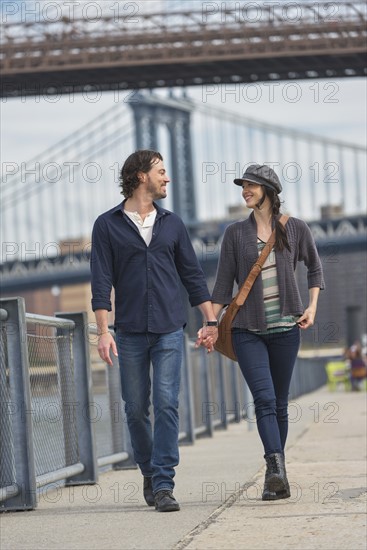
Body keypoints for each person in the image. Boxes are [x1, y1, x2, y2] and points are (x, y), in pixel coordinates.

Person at [90, 150, 218, 512]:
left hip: (169, 329)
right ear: (141, 176)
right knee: (134, 409)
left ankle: (163, 483)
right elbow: (101, 281)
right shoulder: (106, 224)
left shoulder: (173, 224)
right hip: (128, 330)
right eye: (161, 172)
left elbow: (193, 276)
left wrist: (210, 322)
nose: (167, 178)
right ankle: (148, 470)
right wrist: (103, 331)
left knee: (166, 403)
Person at [200, 163, 325, 501]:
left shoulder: (295, 228)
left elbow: (315, 267)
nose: (245, 190)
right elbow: (224, 284)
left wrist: (311, 307)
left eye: (251, 185)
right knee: (265, 399)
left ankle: (277, 476)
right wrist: (211, 324)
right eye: (243, 186)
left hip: (286, 328)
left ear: (269, 190)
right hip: (247, 330)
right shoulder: (235, 234)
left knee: (280, 403)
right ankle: (275, 470)